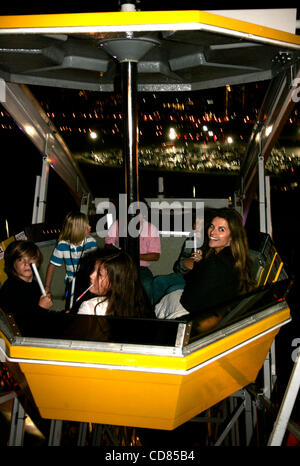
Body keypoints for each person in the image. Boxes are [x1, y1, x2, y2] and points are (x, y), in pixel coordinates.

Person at [155, 208, 253, 320]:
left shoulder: (218, 263)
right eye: (212, 226)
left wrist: (199, 267)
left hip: (205, 318)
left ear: (232, 237)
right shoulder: (232, 257)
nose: (212, 232)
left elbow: (188, 301)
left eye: (221, 229)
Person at [104, 203, 161, 303]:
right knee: (109, 282)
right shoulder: (117, 224)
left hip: (140, 267)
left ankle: (145, 313)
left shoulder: (151, 229)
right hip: (120, 265)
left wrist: (133, 256)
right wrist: (119, 253)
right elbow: (108, 245)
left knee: (146, 284)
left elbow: (155, 255)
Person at [77, 249, 154, 318]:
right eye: (94, 269)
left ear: (116, 283)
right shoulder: (142, 307)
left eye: (100, 274)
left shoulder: (90, 307)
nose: (91, 275)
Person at [45, 211, 97, 309]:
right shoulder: (62, 245)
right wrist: (47, 287)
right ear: (78, 229)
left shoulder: (91, 243)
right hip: (70, 282)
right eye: (87, 226)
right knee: (70, 307)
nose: (90, 227)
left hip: (87, 283)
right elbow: (51, 266)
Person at [0, 240, 53, 327]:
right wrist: (42, 308)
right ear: (13, 264)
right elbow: (24, 326)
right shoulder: (10, 288)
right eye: (20, 259)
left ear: (38, 262)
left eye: (31, 258)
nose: (27, 263)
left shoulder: (35, 285)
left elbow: (42, 320)